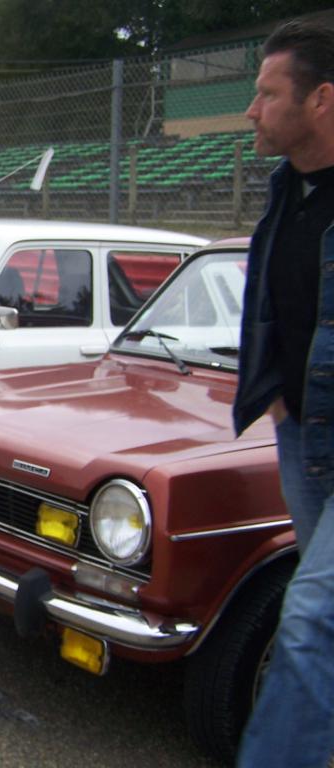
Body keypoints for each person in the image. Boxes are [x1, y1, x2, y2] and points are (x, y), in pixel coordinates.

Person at [233, 20, 334, 768]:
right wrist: (273, 392)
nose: (251, 110)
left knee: (309, 620)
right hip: (302, 435)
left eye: (267, 94)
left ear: (322, 100)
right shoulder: (285, 192)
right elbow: (269, 301)